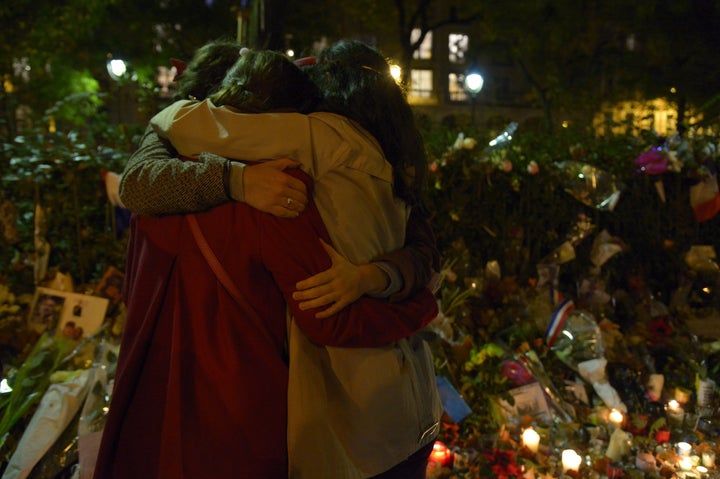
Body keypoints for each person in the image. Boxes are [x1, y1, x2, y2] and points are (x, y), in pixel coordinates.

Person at [93, 48, 439, 479]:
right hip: (259, 410)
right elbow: (332, 316)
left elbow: (169, 143)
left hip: (162, 392)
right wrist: (422, 306)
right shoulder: (324, 172)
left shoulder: (178, 189)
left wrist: (170, 125)